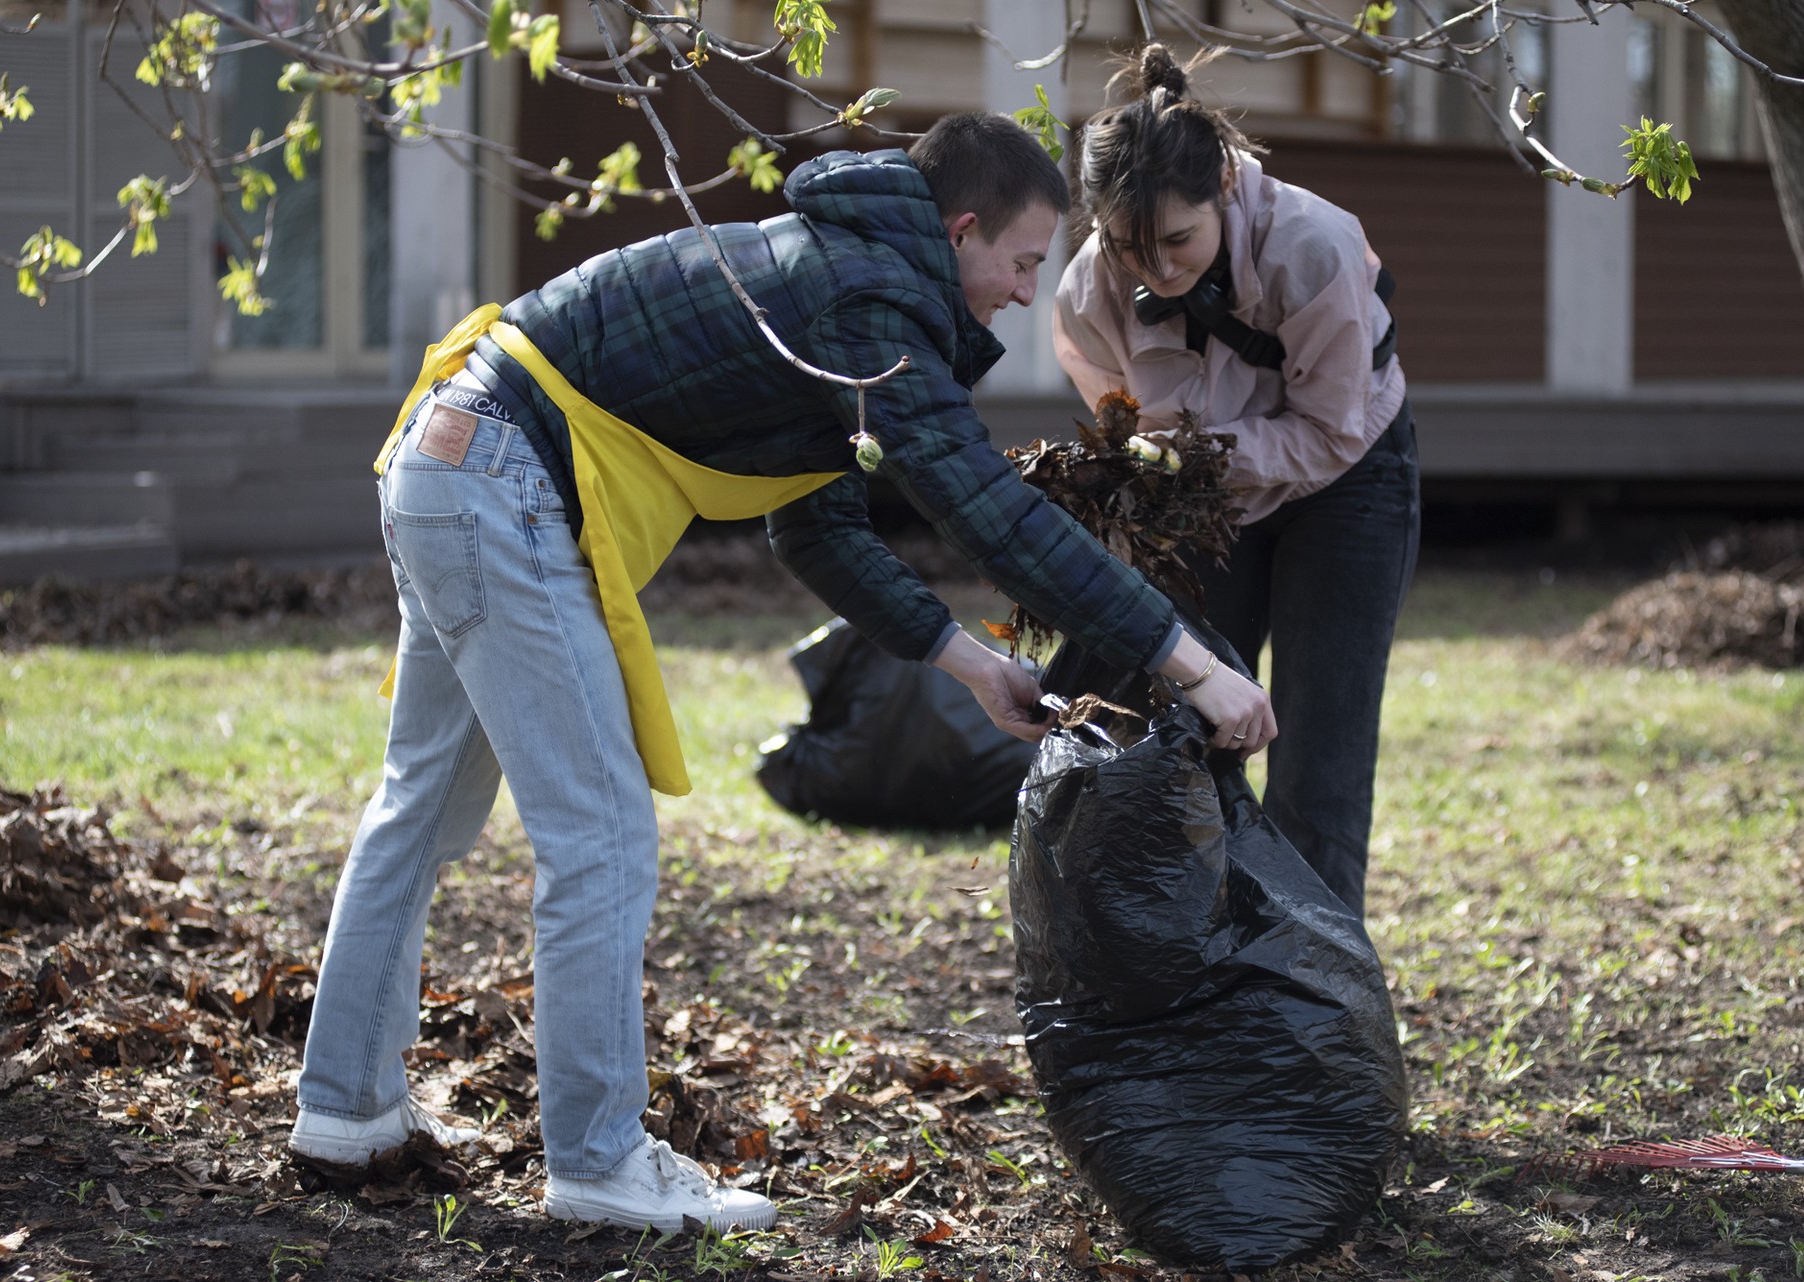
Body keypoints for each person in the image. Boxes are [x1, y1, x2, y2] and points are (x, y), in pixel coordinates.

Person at [288, 112, 1274, 1234]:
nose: (1021, 291)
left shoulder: (828, 283)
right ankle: (600, 1160)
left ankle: (345, 1110)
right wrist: (1187, 660)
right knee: (599, 834)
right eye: (1021, 261)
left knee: (420, 807)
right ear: (961, 232)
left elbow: (817, 530)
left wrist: (961, 660)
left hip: (446, 453)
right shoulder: (874, 301)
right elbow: (985, 510)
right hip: (498, 479)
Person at [1053, 46, 1420, 921]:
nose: (1159, 272)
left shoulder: (1312, 247)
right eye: (1131, 247)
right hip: (1203, 499)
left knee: (1317, 758)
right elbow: (1126, 430)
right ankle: (1193, 966)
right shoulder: (1087, 293)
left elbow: (1330, 431)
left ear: (1222, 182)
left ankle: (1312, 1002)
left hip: (1348, 482)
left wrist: (1198, 456)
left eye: (1177, 241)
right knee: (1192, 724)